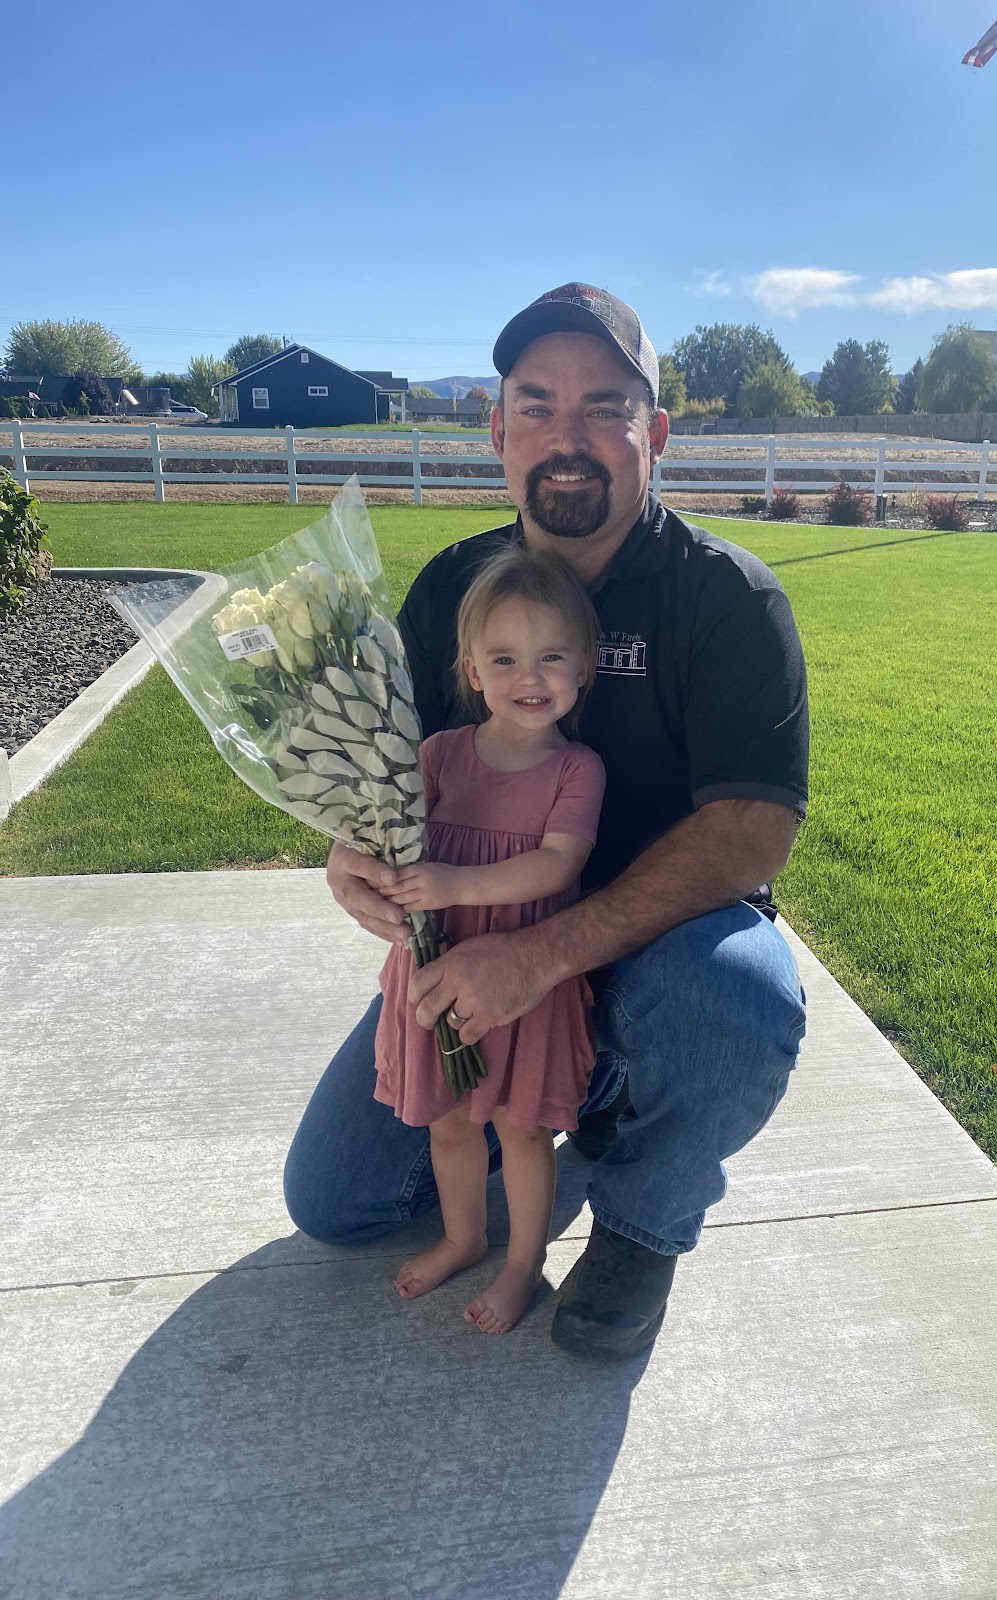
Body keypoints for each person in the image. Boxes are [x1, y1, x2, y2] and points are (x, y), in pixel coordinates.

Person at [284, 282, 810, 1360]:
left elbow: (754, 831)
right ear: (497, 431)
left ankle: (639, 1221)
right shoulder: (454, 586)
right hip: (477, 946)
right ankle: (577, 1092)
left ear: (656, 433)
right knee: (336, 1201)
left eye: (604, 407)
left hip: (659, 951)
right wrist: (349, 848)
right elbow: (389, 769)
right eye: (537, 406)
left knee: (741, 993)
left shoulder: (727, 599)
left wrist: (543, 958)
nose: (568, 439)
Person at [373, 545, 605, 1336]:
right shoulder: (439, 755)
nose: (528, 677)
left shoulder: (576, 769)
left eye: (551, 658)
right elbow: (390, 827)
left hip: (522, 980)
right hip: (437, 969)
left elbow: (557, 864)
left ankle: (522, 1263)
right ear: (471, 670)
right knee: (449, 1120)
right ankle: (464, 1236)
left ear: (583, 668)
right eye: (503, 658)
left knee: (522, 1126)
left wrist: (451, 885)